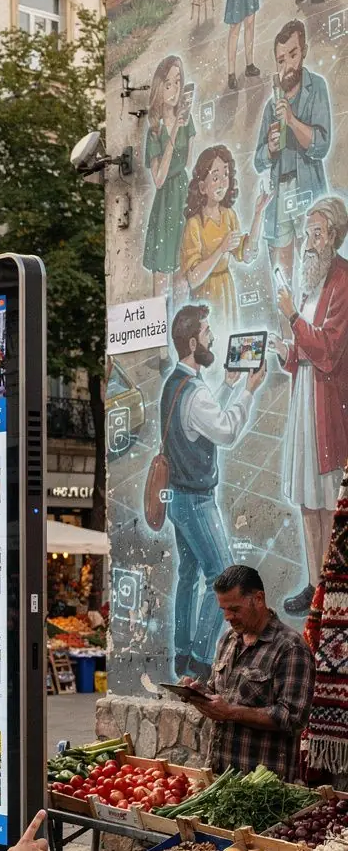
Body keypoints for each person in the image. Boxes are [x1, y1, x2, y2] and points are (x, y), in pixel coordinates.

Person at [161, 305, 266, 680]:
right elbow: (223, 430)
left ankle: (181, 655)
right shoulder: (194, 393)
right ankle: (201, 661)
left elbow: (198, 418)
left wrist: (229, 385)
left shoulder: (175, 383)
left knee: (188, 576)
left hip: (176, 498)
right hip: (195, 500)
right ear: (193, 343)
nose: (213, 338)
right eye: (207, 333)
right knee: (222, 578)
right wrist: (248, 390)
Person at [270, 197, 348, 614]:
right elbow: (305, 346)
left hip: (327, 405)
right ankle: (315, 583)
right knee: (307, 498)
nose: (308, 242)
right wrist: (286, 350)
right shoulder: (310, 279)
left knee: (328, 500)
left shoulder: (343, 279)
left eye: (317, 233)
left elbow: (330, 350)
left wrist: (292, 318)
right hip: (304, 398)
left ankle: (334, 586)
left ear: (333, 236)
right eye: (306, 234)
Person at [184, 565, 315, 780]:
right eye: (223, 609)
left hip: (262, 787)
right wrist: (198, 693)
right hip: (220, 777)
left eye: (234, 609)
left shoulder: (290, 647)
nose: (227, 617)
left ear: (258, 599)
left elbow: (293, 718)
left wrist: (231, 712)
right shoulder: (227, 640)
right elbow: (219, 694)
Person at [254, 19, 332, 285]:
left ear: (304, 52)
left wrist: (292, 120)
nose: (287, 65)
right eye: (280, 60)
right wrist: (270, 149)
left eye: (293, 54)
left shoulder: (316, 87)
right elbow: (258, 160)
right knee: (283, 279)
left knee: (316, 273)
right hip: (280, 194)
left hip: (306, 188)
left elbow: (321, 144)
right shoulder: (272, 106)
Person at [180, 145, 270, 326]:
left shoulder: (229, 215)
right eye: (215, 178)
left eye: (226, 175)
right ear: (202, 187)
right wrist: (221, 249)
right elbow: (193, 279)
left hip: (226, 292)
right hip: (204, 298)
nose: (222, 183)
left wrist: (258, 214)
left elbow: (247, 255)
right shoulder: (194, 224)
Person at [143, 55, 196, 302]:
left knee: (183, 274)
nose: (174, 90)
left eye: (178, 82)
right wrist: (174, 131)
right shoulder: (155, 131)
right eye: (168, 84)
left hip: (184, 198)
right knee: (162, 280)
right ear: (159, 88)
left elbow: (188, 163)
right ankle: (160, 328)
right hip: (165, 205)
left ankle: (182, 324)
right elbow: (159, 179)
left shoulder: (187, 120)